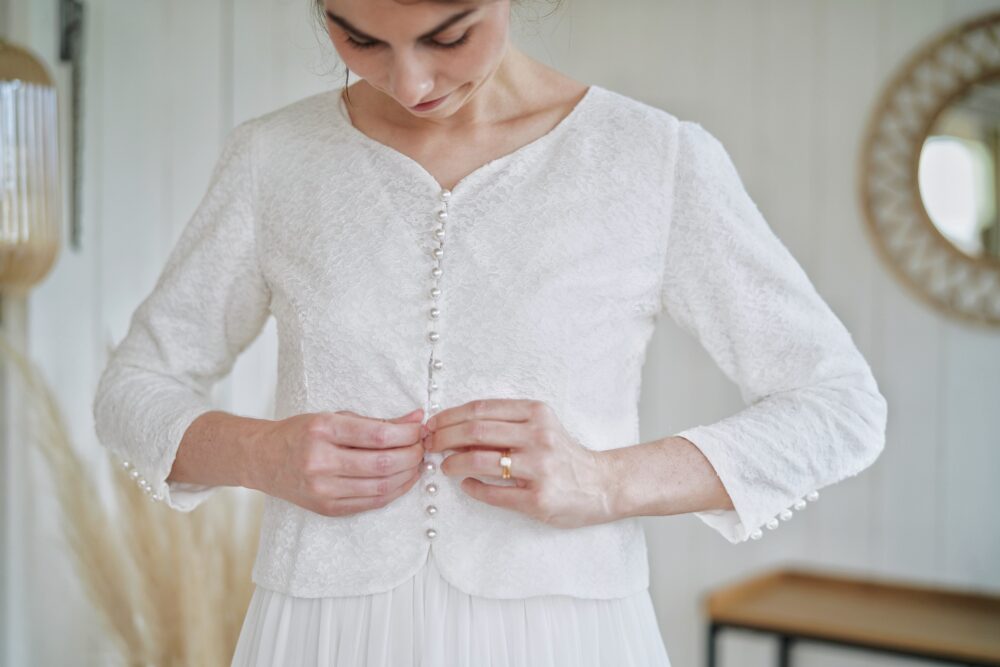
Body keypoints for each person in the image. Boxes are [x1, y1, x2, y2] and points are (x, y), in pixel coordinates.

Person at [92, 0, 889, 665]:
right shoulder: (274, 159)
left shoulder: (651, 159)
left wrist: (606, 480)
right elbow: (131, 387)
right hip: (322, 634)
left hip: (564, 635)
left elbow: (841, 407)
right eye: (360, 39)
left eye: (448, 36)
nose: (409, 82)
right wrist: (258, 453)